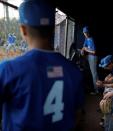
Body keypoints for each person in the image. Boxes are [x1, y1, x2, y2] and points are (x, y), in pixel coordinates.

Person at [0, 1, 84, 131]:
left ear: (23, 29)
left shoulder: (9, 69)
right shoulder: (73, 70)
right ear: (53, 29)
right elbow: (77, 115)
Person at [81, 26, 98, 94]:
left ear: (89, 32)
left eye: (87, 32)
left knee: (94, 74)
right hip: (88, 57)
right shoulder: (86, 39)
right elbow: (84, 46)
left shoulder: (91, 39)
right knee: (90, 73)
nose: (86, 34)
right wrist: (82, 49)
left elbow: (94, 52)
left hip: (93, 57)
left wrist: (86, 49)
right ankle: (94, 88)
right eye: (85, 32)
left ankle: (97, 90)